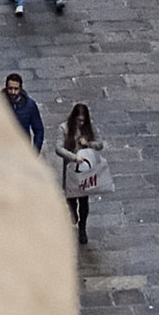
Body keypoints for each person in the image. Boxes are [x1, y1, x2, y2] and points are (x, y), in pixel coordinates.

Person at [57, 102, 108, 244]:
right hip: (71, 169)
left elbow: (100, 144)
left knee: (84, 200)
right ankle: (74, 214)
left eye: (82, 120)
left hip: (85, 170)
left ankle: (82, 228)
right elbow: (58, 148)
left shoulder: (89, 128)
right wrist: (74, 157)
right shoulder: (64, 128)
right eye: (78, 120)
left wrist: (89, 144)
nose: (80, 123)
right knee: (71, 199)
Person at [3, 68, 43, 142]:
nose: (13, 92)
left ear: (20, 89)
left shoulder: (29, 105)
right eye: (10, 88)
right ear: (6, 88)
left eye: (16, 89)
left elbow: (38, 130)